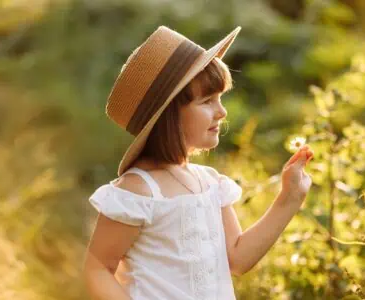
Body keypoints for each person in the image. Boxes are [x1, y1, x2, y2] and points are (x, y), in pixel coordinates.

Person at [82, 25, 314, 300]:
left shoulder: (209, 182)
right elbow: (97, 268)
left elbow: (238, 259)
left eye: (220, 99)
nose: (222, 111)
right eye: (207, 101)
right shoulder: (138, 191)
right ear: (169, 116)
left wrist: (290, 198)